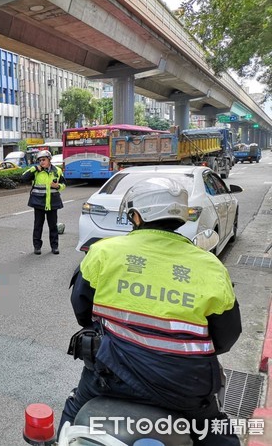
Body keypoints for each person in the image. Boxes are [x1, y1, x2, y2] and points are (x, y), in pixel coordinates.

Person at [59, 177, 241, 445]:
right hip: (186, 388)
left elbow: (82, 311)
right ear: (181, 216)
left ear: (135, 216)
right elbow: (226, 338)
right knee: (217, 435)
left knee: (71, 417)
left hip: (109, 378)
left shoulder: (102, 252)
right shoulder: (210, 266)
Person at [21, 150, 65, 255]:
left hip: (52, 203)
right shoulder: (36, 171)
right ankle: (37, 247)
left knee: (53, 226)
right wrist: (34, 168)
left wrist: (58, 186)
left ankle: (54, 247)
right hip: (39, 203)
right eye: (40, 160)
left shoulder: (57, 171)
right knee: (38, 226)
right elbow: (23, 178)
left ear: (49, 160)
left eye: (43, 160)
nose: (41, 162)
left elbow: (64, 184)